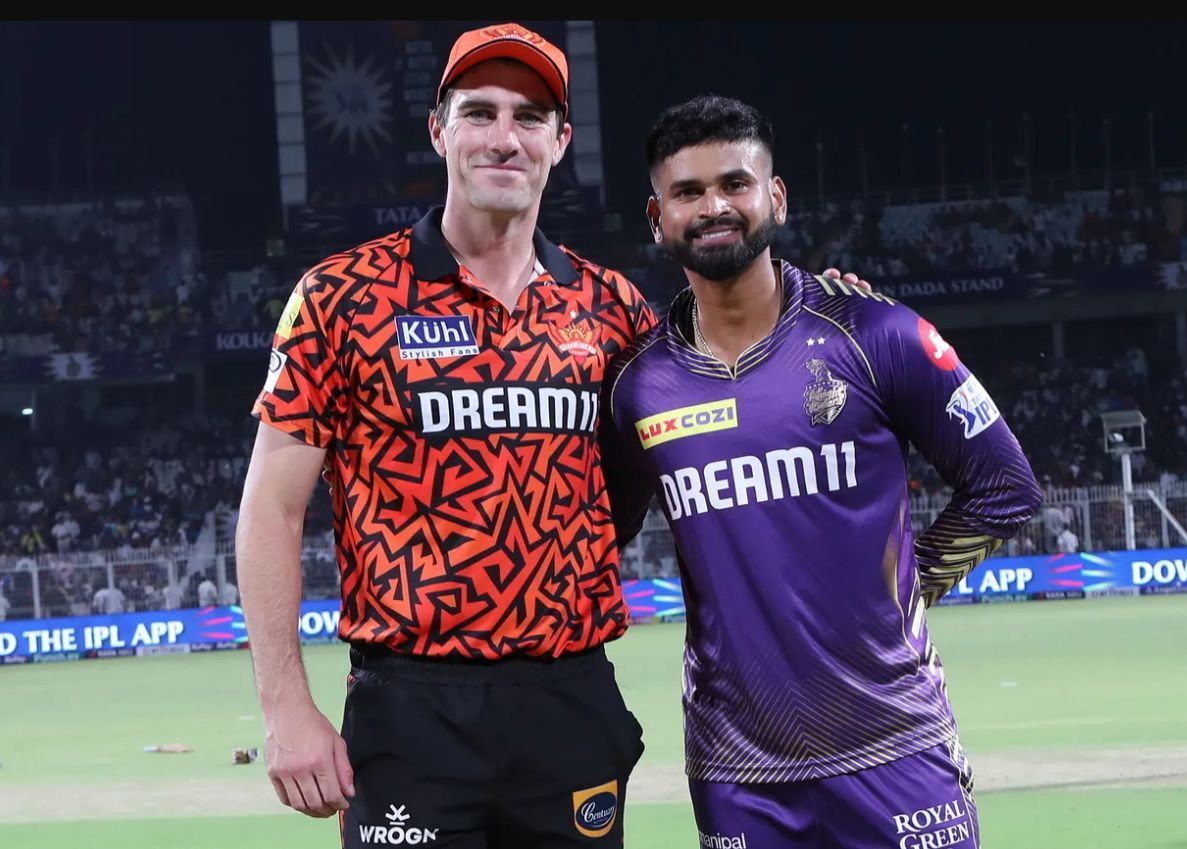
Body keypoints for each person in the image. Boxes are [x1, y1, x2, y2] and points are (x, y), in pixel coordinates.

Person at [237, 23, 653, 847]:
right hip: (410, 711)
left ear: (561, 141)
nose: (505, 137)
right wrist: (285, 706)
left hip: (568, 700)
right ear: (439, 129)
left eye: (530, 117)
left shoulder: (614, 311)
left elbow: (667, 448)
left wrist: (828, 300)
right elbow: (270, 510)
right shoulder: (342, 297)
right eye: (480, 112)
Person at [602, 95, 1043, 849]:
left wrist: (907, 584)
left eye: (735, 184)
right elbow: (594, 533)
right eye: (688, 192)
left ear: (774, 196)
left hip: (897, 748)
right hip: (739, 772)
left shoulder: (877, 333)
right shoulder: (638, 385)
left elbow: (1007, 488)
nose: (714, 207)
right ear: (657, 216)